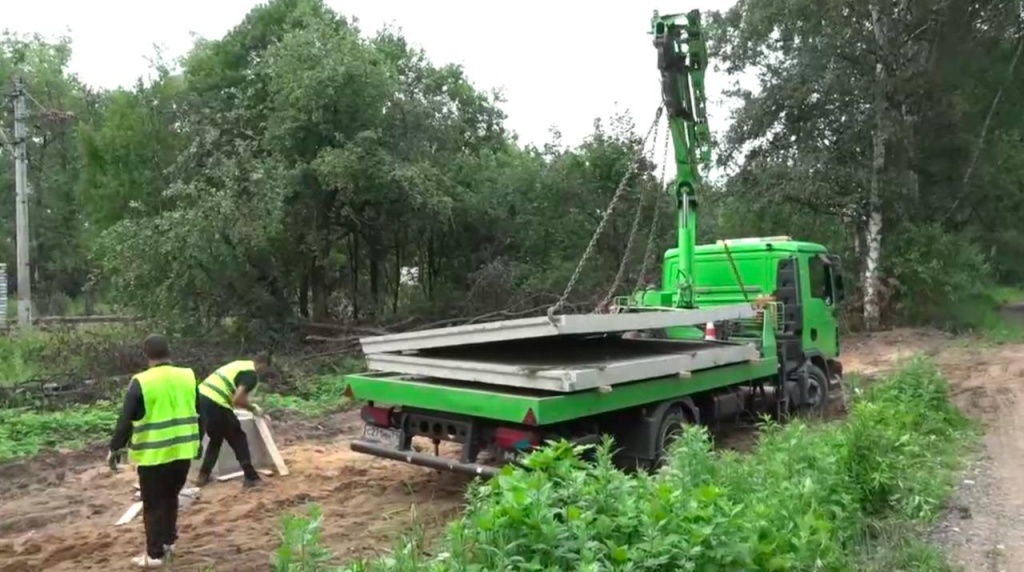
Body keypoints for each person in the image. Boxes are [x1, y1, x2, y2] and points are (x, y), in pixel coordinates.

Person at [108, 334, 201, 569]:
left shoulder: (141, 381)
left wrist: (115, 448)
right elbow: (201, 412)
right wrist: (198, 443)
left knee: (152, 504)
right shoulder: (188, 376)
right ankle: (169, 543)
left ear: (146, 355)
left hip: (153, 455)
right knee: (171, 497)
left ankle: (154, 555)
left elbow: (126, 419)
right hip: (182, 451)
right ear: (169, 352)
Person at [194, 353, 270, 488]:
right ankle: (251, 477)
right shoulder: (251, 375)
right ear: (263, 365)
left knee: (216, 439)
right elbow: (238, 399)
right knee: (238, 438)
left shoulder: (240, 364)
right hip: (216, 401)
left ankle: (203, 476)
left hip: (201, 398)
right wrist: (252, 408)